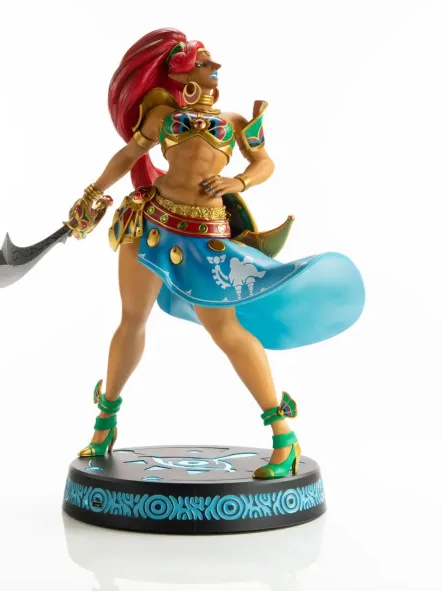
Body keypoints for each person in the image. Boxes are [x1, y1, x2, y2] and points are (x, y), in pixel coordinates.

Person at [65, 28, 365, 479]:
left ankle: (283, 435)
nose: (214, 67)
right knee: (131, 321)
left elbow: (264, 162)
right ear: (180, 73)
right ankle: (105, 422)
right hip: (150, 224)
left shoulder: (235, 121)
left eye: (211, 62)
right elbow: (128, 156)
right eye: (203, 62)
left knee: (227, 332)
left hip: (206, 237)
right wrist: (92, 193)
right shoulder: (163, 117)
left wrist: (238, 181)